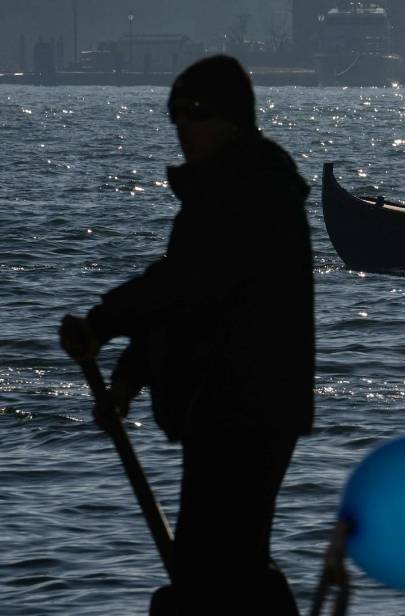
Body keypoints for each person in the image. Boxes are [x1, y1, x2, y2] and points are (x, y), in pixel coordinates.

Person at [58, 55, 313, 615]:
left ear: (229, 119)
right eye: (174, 115)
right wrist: (126, 382)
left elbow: (184, 283)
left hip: (248, 408)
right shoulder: (223, 188)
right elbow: (184, 307)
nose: (181, 128)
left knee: (216, 569)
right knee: (222, 568)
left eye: (192, 114)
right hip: (221, 408)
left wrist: (101, 324)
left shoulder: (250, 188)